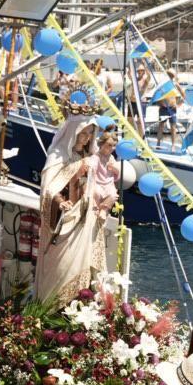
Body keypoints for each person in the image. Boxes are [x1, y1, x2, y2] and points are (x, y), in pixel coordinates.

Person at [34, 118, 117, 303]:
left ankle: (76, 306)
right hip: (65, 219)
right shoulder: (58, 155)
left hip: (86, 218)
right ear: (73, 132)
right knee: (61, 267)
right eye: (83, 133)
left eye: (89, 134)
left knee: (83, 268)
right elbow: (48, 187)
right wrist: (59, 201)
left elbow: (104, 182)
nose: (86, 138)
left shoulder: (92, 157)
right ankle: (52, 305)